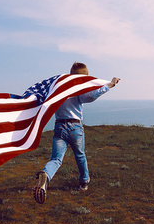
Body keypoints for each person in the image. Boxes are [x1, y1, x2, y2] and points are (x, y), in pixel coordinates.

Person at [34, 62, 120, 204]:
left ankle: (46, 175)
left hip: (59, 126)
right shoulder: (78, 89)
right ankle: (84, 182)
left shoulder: (58, 88)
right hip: (75, 127)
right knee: (80, 155)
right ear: (84, 77)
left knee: (56, 159)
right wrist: (109, 85)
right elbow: (92, 96)